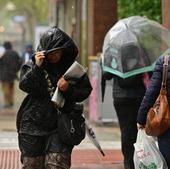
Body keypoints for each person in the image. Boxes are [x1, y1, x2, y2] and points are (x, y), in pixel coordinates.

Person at [16, 27, 92, 169]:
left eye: (57, 52)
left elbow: (85, 91)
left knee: (57, 164)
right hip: (33, 123)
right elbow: (24, 85)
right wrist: (37, 68)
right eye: (51, 53)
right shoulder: (32, 65)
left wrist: (67, 88)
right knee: (32, 164)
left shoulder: (72, 68)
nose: (54, 56)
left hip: (60, 123)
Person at [102, 43, 151, 169]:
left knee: (125, 129)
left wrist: (109, 60)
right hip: (139, 96)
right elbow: (150, 73)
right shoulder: (141, 53)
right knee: (139, 127)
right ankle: (140, 159)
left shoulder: (116, 55)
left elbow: (106, 75)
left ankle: (128, 162)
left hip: (121, 97)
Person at [137, 54, 170, 168]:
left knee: (167, 159)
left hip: (166, 120)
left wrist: (141, 119)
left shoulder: (165, 61)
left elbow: (151, 93)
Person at [0, 41, 22, 108]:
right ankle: (11, 102)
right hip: (12, 75)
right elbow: (20, 62)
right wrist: (16, 70)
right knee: (11, 89)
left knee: (5, 89)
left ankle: (7, 103)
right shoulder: (15, 53)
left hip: (4, 75)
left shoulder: (3, 54)